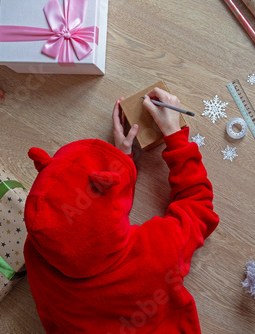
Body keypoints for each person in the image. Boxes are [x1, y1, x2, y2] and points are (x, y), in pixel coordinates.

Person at [23, 88, 219, 333]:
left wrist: (119, 165)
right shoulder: (154, 258)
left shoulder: (36, 253)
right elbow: (198, 206)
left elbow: (88, 223)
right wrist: (174, 134)